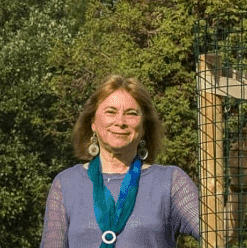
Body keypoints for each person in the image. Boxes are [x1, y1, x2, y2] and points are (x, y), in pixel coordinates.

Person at [40, 75, 200, 248]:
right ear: (93, 122)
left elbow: (216, 232)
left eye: (131, 114)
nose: (120, 122)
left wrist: (228, 187)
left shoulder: (171, 182)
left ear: (144, 126)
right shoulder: (66, 184)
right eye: (111, 112)